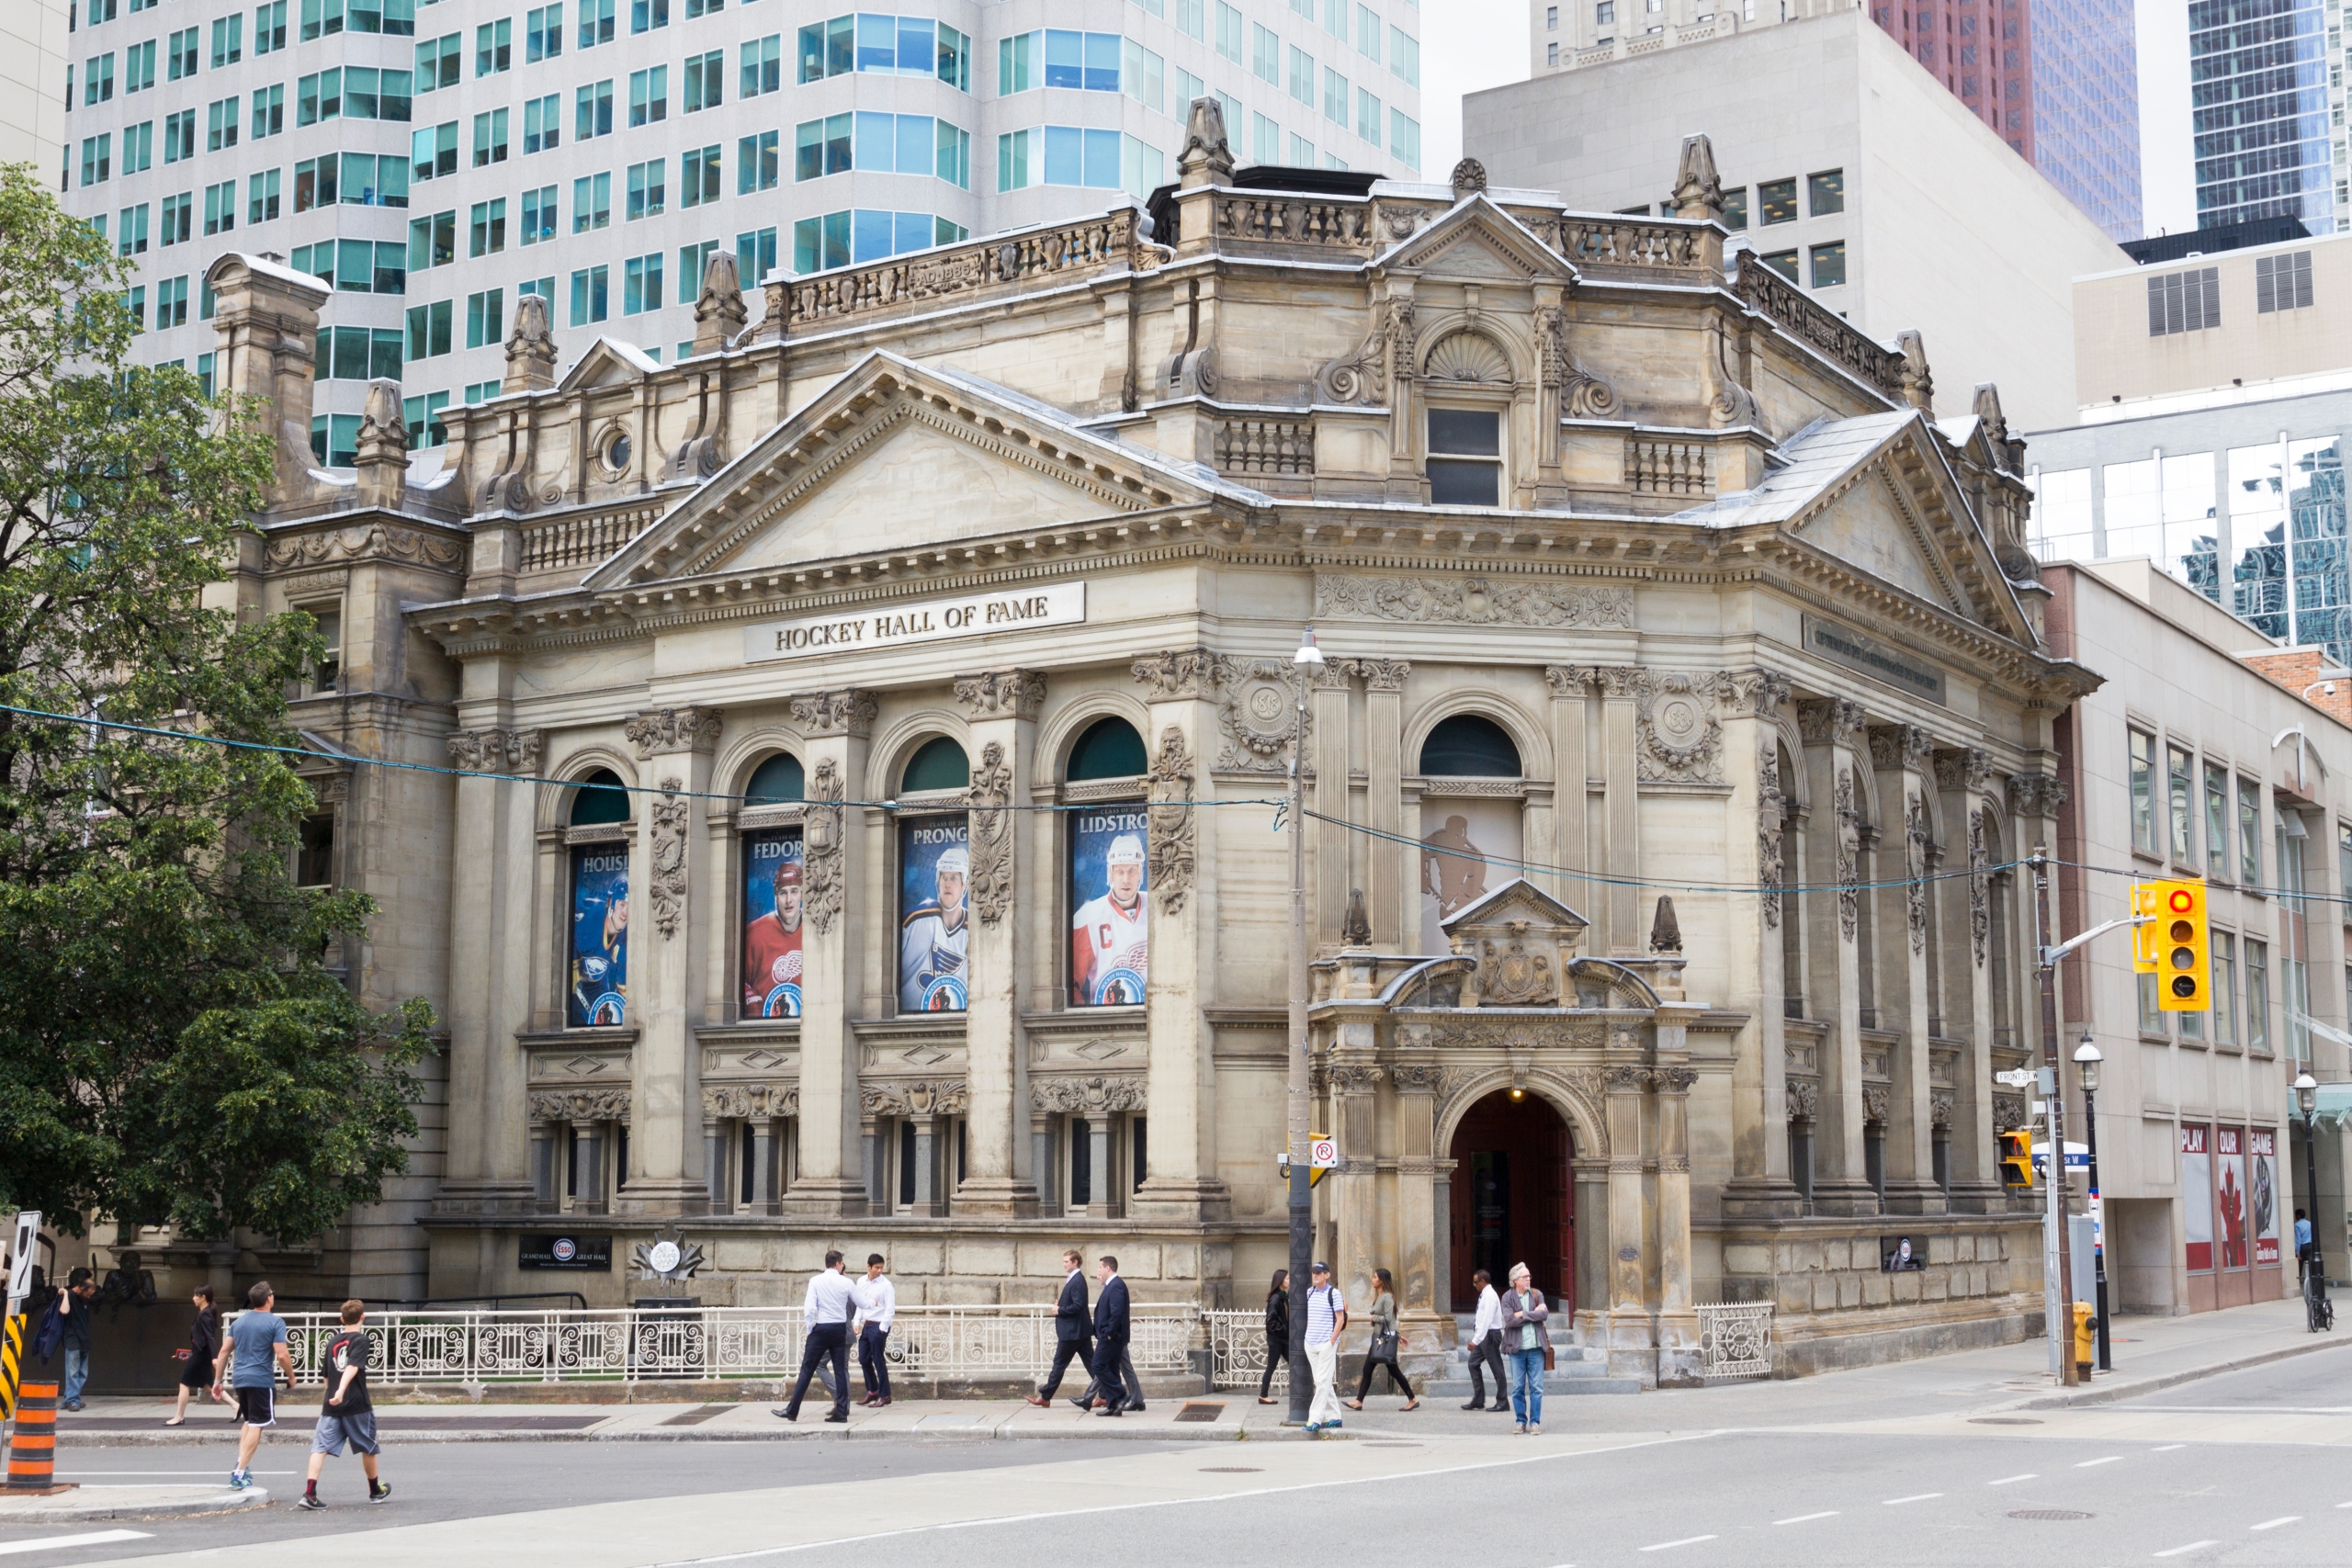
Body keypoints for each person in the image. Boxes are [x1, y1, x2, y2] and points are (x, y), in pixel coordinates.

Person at [296, 1299, 389, 1510]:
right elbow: (353, 1367)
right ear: (362, 1317)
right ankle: (375, 1490)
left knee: (319, 1447)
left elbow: (326, 1376)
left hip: (331, 1405)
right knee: (368, 1446)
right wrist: (342, 1390)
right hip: (356, 1403)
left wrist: (332, 1393)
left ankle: (310, 1493)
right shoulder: (361, 1340)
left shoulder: (332, 1341)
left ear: (342, 1319)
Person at [212, 1280, 293, 1490]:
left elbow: (223, 1352)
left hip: (240, 1378)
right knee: (257, 1424)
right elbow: (282, 1355)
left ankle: (243, 1465)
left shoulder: (238, 1323)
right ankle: (239, 1472)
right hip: (260, 1379)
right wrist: (291, 1376)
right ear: (269, 1299)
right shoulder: (276, 1323)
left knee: (249, 1421)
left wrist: (218, 1381)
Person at [775, 1250, 854, 1424]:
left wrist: (811, 1328)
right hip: (839, 1328)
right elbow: (861, 1302)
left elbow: (809, 1308)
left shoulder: (816, 1281)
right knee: (840, 1370)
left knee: (807, 1370)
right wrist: (873, 1303)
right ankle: (841, 1412)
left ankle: (792, 1410)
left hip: (822, 1328)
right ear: (839, 1263)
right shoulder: (846, 1282)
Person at [1071, 832, 1149, 1005]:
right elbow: (1072, 983)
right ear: (1110, 873)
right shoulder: (1088, 917)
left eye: (1131, 870)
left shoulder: (1157, 908)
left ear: (1140, 873)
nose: (1126, 879)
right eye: (1119, 871)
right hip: (1107, 1017)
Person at [899, 845, 970, 1011]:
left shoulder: (973, 930)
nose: (947, 884)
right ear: (937, 881)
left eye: (953, 878)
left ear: (964, 885)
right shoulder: (915, 920)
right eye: (944, 877)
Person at [1345, 1268, 1418, 1411]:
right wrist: (1397, 1335)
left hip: (1382, 1339)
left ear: (1382, 1280)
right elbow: (1387, 1321)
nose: (1372, 1279)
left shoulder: (1387, 1297)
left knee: (1393, 1370)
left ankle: (1413, 1399)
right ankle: (1359, 1401)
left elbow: (1389, 1319)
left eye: (1375, 1277)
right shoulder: (1379, 1296)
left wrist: (1373, 1318)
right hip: (1379, 1337)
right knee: (1369, 1369)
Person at [741, 853, 804, 1017]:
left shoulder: (816, 929)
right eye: (783, 893)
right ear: (775, 895)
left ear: (802, 894)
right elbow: (737, 978)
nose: (789, 900)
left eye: (794, 891)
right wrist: (752, 1005)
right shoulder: (756, 932)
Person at [1028, 1250, 1092, 1407]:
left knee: (1059, 1364)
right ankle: (1107, 1394)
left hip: (1072, 1333)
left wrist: (1060, 1310)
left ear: (1075, 1262)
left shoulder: (1077, 1280)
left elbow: (1078, 1305)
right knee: (1093, 1364)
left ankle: (1046, 1396)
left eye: (1067, 1262)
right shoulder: (1075, 1279)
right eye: (1063, 1261)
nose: (1064, 1264)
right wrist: (1061, 1305)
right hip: (1078, 1331)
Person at [1501, 1263, 1551, 1436]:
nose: (1529, 1279)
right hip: (1517, 1349)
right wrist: (1532, 1314)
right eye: (1525, 1277)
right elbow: (1510, 1321)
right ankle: (1520, 1421)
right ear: (1515, 1280)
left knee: (1537, 1387)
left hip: (1536, 1348)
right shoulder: (1507, 1297)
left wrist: (1522, 1314)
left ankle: (1535, 1422)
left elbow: (1544, 1314)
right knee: (1517, 1387)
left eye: (1529, 1276)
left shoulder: (1537, 1294)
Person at [1301, 1260, 1347, 1434]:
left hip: (1326, 1344)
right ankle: (1335, 1417)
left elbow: (1340, 1319)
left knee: (1321, 1381)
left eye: (1318, 1273)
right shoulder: (1309, 1292)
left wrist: (1332, 1341)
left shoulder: (1334, 1293)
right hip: (1311, 1343)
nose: (1315, 1275)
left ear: (1326, 1275)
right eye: (1313, 1272)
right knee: (1322, 1381)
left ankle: (1315, 1419)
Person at [166, 1285, 220, 1427]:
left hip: (202, 1354)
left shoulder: (205, 1315)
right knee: (208, 1386)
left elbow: (210, 1338)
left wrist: (215, 1357)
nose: (193, 1298)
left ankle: (179, 1417)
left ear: (203, 1297)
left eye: (196, 1295)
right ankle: (235, 1406)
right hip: (200, 1353)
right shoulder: (204, 1313)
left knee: (184, 1383)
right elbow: (202, 1339)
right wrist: (190, 1353)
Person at [1089, 1256, 1131, 1416]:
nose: (1098, 1270)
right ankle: (1114, 1406)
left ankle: (1121, 1394)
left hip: (1112, 1337)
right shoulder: (1111, 1285)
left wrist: (1108, 1333)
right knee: (1113, 1369)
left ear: (1108, 1268)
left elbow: (1117, 1312)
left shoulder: (1116, 1286)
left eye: (1100, 1267)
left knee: (1097, 1365)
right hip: (1111, 1336)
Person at [1462, 1269, 1509, 1412]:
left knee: (1497, 1368)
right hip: (1484, 1335)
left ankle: (1502, 1402)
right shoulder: (1485, 1294)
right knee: (1473, 1363)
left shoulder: (1489, 1296)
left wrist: (1475, 1340)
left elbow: (1486, 1320)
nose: (1474, 1285)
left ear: (1482, 1281)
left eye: (1475, 1282)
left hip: (1489, 1335)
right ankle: (1478, 1399)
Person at [853, 1254, 895, 1407]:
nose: (879, 1271)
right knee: (863, 1358)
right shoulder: (861, 1282)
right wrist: (857, 1322)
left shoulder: (886, 1284)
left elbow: (890, 1309)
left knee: (878, 1360)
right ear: (868, 1267)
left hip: (879, 1325)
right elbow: (859, 1303)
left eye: (881, 1267)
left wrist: (882, 1329)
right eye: (876, 1267)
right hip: (867, 1324)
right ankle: (873, 1391)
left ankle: (885, 1395)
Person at [54, 1268, 96, 1412]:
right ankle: (73, 1400)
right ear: (81, 1288)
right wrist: (65, 1293)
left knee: (82, 1372)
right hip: (72, 1338)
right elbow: (64, 1311)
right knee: (73, 1371)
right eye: (88, 1293)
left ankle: (70, 1399)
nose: (88, 1297)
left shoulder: (84, 1299)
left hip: (84, 1338)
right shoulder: (69, 1296)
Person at [1258, 1269, 1289, 1405]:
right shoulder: (1276, 1298)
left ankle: (1300, 1392)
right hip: (1277, 1339)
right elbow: (1270, 1322)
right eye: (1287, 1279)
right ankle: (1263, 1396)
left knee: (1295, 1363)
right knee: (1271, 1367)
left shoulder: (1283, 1297)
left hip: (1283, 1338)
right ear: (1280, 1280)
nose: (1290, 1281)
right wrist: (1285, 1330)